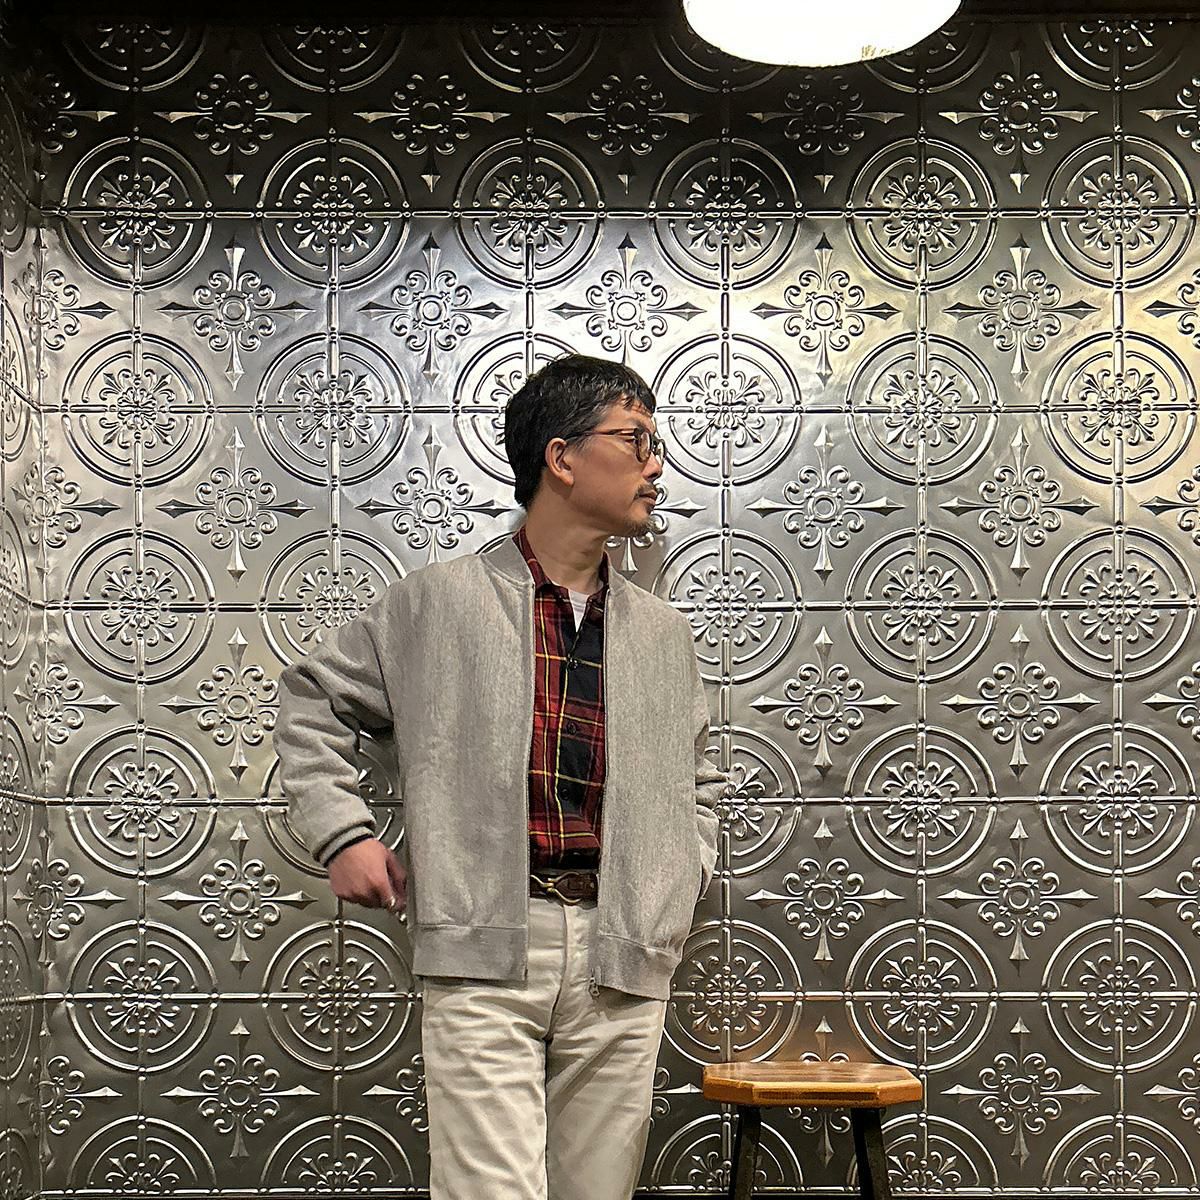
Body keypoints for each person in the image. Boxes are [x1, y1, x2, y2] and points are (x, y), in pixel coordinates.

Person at [273, 353, 733, 1200]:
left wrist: (677, 877)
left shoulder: (663, 631)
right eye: (636, 440)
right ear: (562, 458)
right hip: (484, 942)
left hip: (624, 949)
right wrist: (342, 835)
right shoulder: (434, 603)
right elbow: (313, 704)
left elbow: (699, 777)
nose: (657, 467)